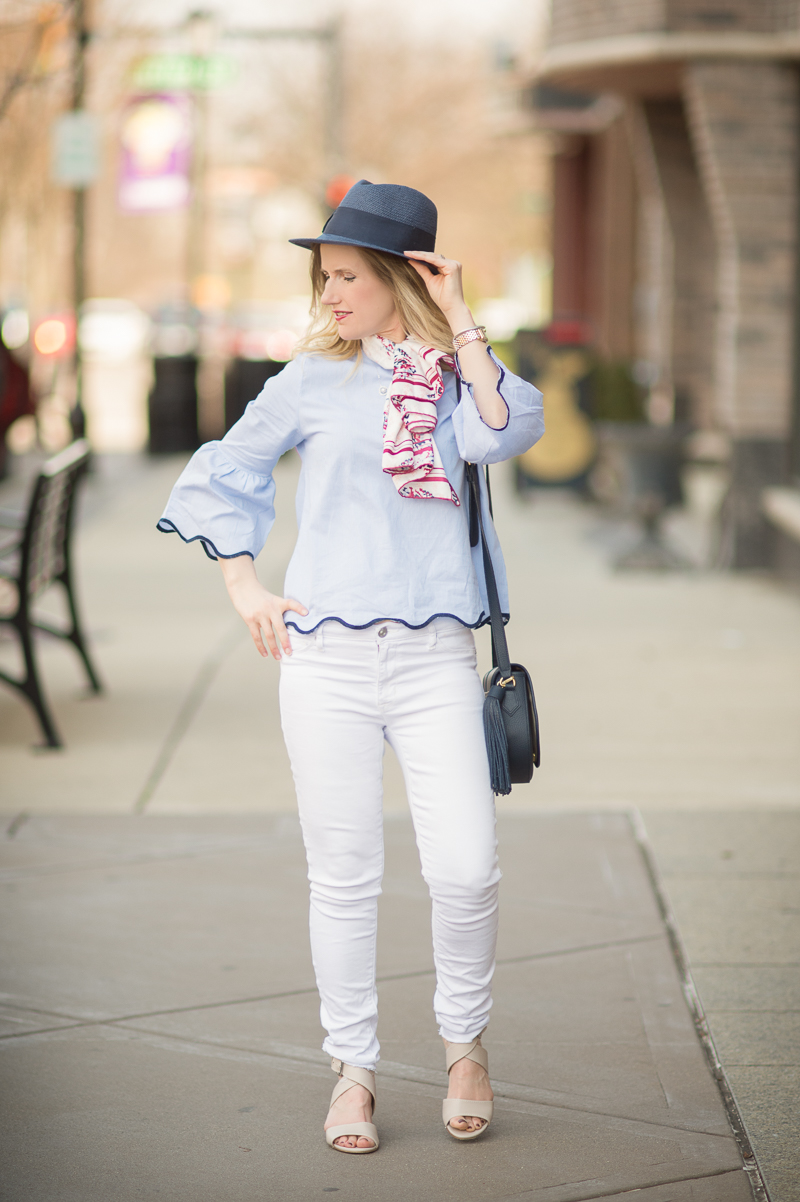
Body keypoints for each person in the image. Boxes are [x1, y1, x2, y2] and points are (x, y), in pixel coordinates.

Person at [158, 180, 543, 1153]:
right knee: (343, 873)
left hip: (431, 661)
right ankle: (354, 1069)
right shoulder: (307, 378)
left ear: (399, 278)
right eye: (322, 276)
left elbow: (503, 429)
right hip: (323, 658)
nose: (327, 294)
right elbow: (220, 472)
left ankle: (464, 1046)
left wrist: (458, 321)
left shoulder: (458, 379)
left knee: (464, 867)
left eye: (344, 276)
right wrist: (245, 587)